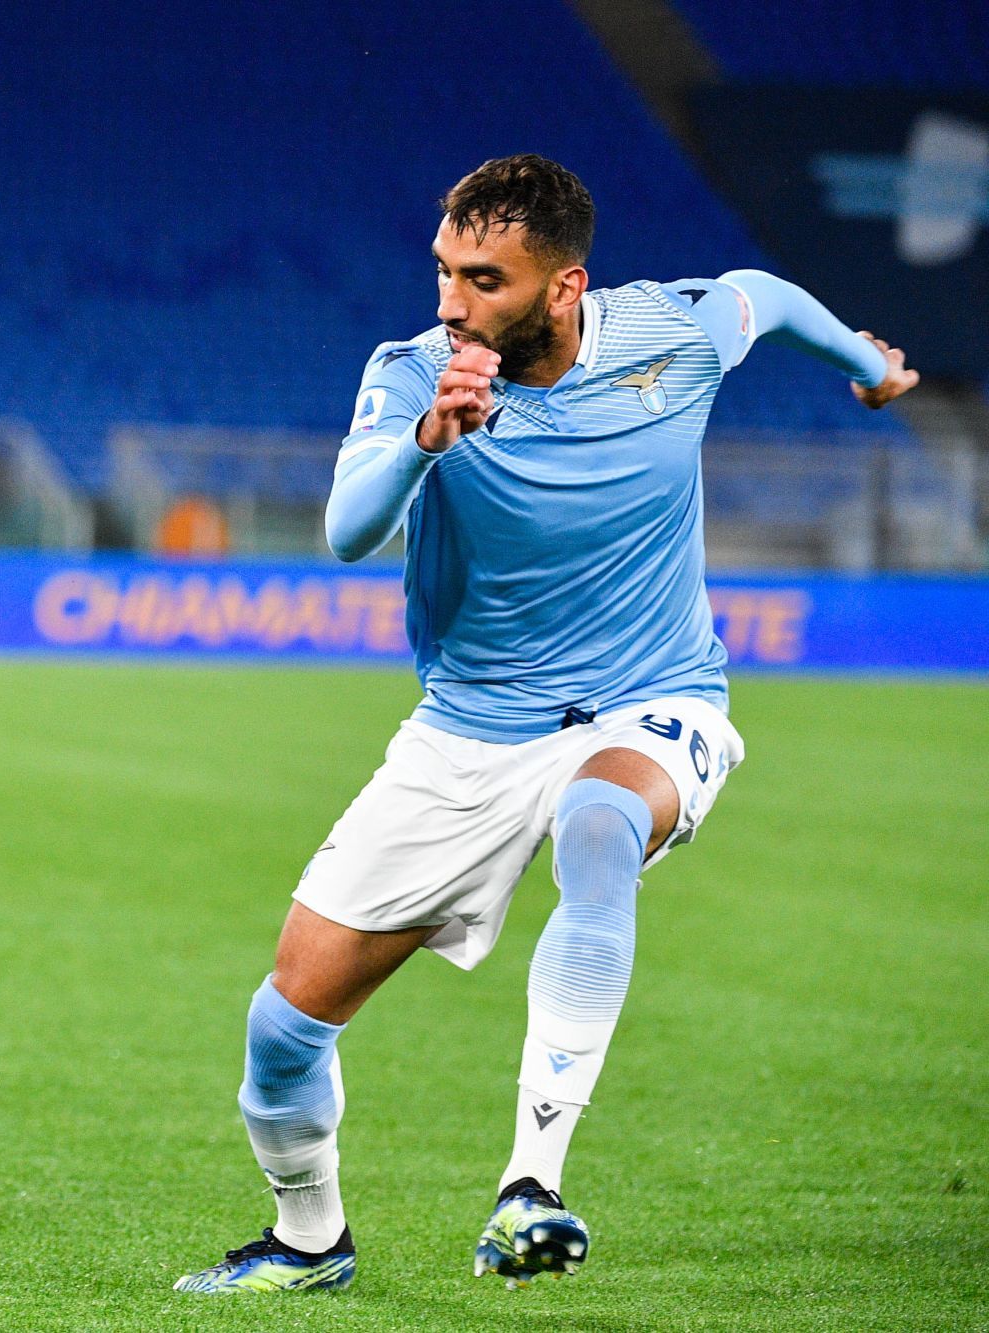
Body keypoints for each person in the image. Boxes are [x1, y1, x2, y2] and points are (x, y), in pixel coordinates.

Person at [175, 154, 918, 1295]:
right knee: (283, 1028)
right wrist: (429, 438)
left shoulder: (667, 334)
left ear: (564, 286)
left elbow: (762, 298)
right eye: (443, 271)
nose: (450, 302)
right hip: (471, 731)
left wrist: (868, 365)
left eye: (484, 280)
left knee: (599, 823)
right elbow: (346, 531)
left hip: (652, 696)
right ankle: (308, 1241)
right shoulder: (410, 374)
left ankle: (532, 1184)